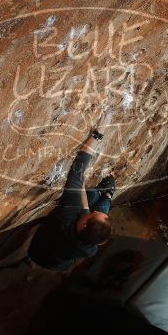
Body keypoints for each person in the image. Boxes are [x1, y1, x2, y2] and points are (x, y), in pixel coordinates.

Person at [27, 116, 115, 271]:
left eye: (93, 214)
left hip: (35, 250)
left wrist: (98, 134)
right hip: (55, 263)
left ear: (83, 223)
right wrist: (90, 211)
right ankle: (107, 195)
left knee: (97, 199)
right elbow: (88, 217)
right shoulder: (90, 250)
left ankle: (106, 194)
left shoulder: (66, 215)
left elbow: (77, 171)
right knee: (99, 200)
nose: (94, 211)